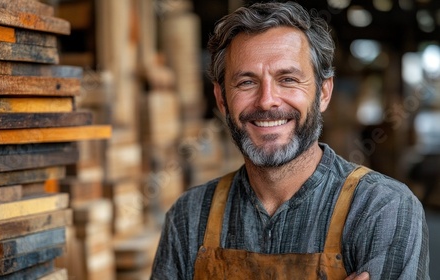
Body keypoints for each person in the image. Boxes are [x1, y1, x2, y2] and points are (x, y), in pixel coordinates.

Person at [151, 2, 430, 279]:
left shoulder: (381, 208)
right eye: (246, 82)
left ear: (323, 93)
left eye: (287, 79)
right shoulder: (189, 217)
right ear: (222, 99)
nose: (267, 100)